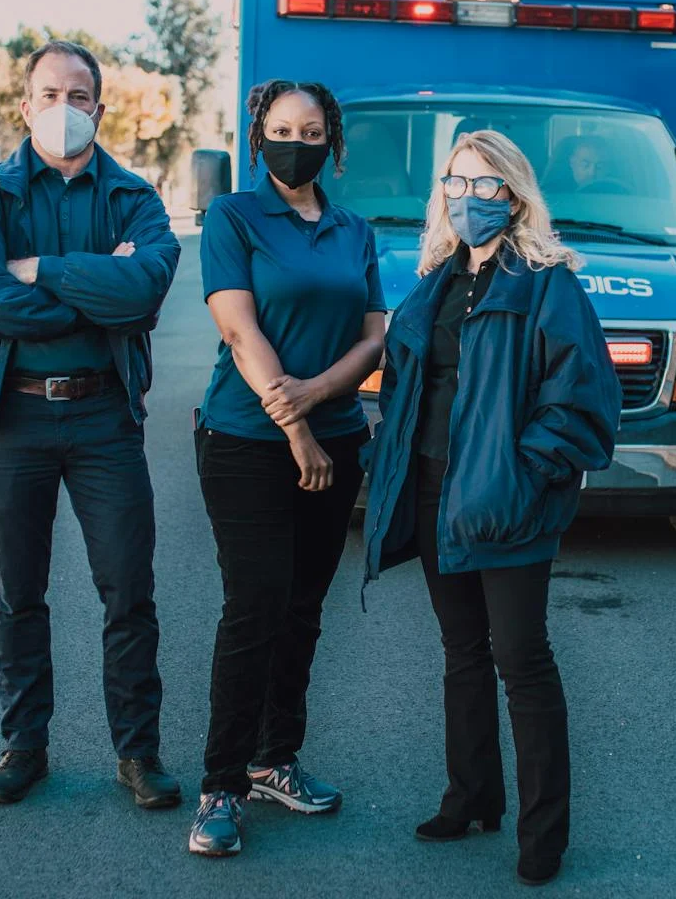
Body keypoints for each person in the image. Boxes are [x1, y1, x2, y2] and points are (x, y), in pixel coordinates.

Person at [359, 130, 620, 888]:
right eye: (455, 183)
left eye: (484, 185)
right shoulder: (435, 281)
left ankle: (544, 837)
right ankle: (470, 797)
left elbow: (580, 398)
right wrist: (390, 457)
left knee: (522, 662)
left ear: (514, 195)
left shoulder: (546, 284)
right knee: (462, 651)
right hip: (434, 491)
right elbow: (406, 382)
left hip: (507, 499)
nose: (467, 198)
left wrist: (525, 473)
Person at [0, 40, 183, 810]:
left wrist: (41, 268)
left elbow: (144, 292)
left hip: (105, 416)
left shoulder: (134, 197)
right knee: (18, 593)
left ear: (99, 109)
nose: (63, 108)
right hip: (10, 417)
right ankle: (24, 747)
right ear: (25, 105)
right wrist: (94, 291)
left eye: (78, 96)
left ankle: (138, 754)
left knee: (129, 591)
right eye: (49, 94)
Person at [186, 80, 387, 857]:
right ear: (257, 136)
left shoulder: (353, 230)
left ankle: (275, 760)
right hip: (245, 440)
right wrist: (296, 428)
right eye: (280, 130)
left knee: (302, 609)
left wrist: (319, 397)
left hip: (337, 437)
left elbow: (373, 337)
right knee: (255, 608)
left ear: (330, 142)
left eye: (309, 132)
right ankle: (220, 785)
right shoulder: (234, 217)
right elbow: (241, 332)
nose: (294, 144)